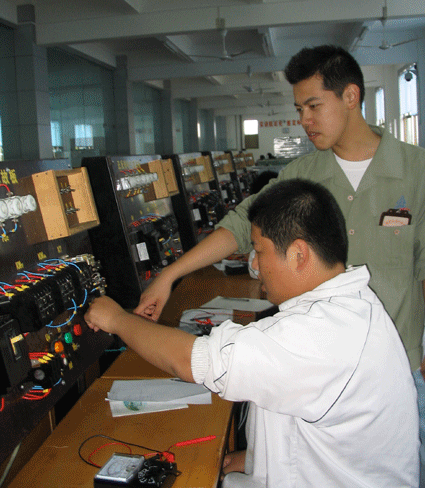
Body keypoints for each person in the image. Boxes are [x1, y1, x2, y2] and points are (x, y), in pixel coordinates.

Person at [84, 179, 419, 487]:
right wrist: (259, 457)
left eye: (259, 251)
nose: (255, 266)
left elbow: (193, 361)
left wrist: (117, 319)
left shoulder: (322, 333)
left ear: (298, 255)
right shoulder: (353, 304)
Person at [135, 45, 425, 377]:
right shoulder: (302, 175)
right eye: (299, 109)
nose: (304, 120)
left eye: (314, 106)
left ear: (350, 96)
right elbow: (242, 223)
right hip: (320, 365)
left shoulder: (416, 171)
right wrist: (169, 276)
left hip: (396, 363)